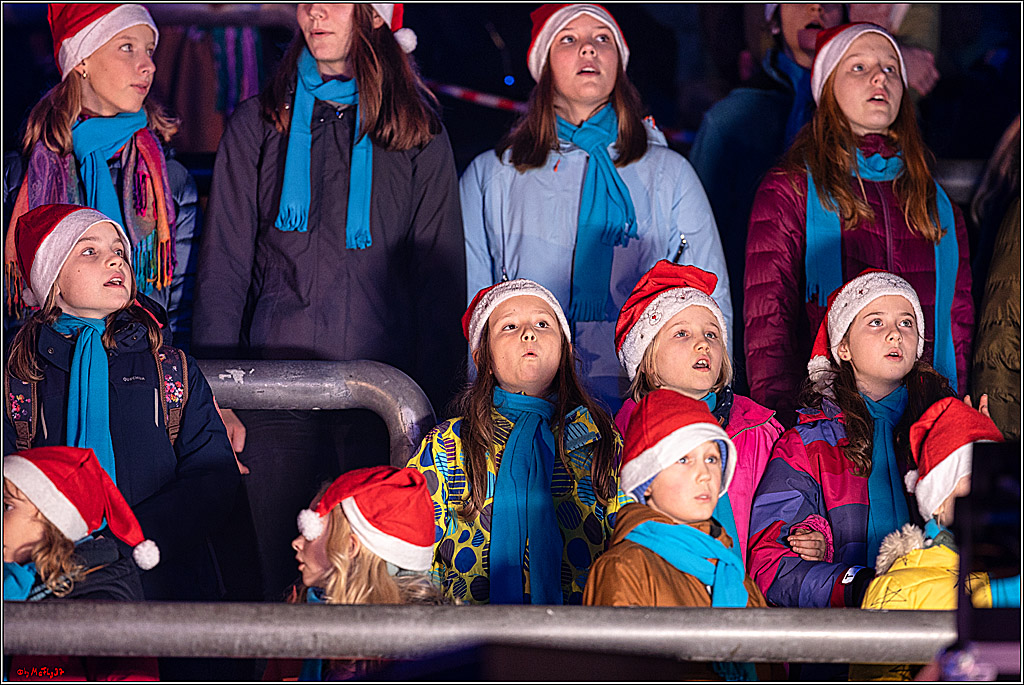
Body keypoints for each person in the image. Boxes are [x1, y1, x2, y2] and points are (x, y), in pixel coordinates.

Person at [192, 3, 466, 601]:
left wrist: (435, 417)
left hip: (382, 408)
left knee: (366, 591)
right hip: (272, 402)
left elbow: (439, 288)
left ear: (372, 16)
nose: (314, 10)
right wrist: (221, 396)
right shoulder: (259, 122)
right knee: (274, 582)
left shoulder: (418, 133)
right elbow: (225, 269)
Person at [3, 204, 240, 680]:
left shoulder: (170, 369)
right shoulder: (18, 379)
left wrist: (133, 540)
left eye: (119, 252)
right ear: (51, 283)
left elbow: (214, 477)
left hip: (162, 581)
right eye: (88, 252)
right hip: (49, 585)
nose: (114, 261)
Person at [461, 3, 731, 413]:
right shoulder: (491, 176)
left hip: (643, 405)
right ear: (544, 62)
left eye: (602, 39)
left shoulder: (670, 173)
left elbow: (712, 296)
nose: (588, 49)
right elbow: (473, 306)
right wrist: (481, 411)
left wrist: (711, 407)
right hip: (531, 403)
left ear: (619, 64)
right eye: (569, 39)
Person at [745, 23, 973, 427]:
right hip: (825, 426)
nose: (879, 77)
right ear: (827, 85)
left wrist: (953, 422)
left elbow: (958, 327)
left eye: (890, 68)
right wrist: (784, 427)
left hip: (925, 422)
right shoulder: (789, 189)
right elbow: (768, 326)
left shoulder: (937, 203)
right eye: (859, 67)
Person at [748, 271, 972, 611]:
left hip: (940, 628)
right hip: (843, 644)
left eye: (907, 323)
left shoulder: (945, 430)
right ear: (843, 348)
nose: (895, 333)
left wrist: (979, 443)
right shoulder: (805, 445)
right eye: (876, 322)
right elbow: (770, 563)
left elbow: (994, 537)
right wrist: (854, 585)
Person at [407, 279, 630, 605]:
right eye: (509, 326)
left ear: (565, 350)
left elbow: (628, 540)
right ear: (483, 356)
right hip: (470, 642)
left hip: (583, 641)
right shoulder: (446, 444)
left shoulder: (600, 438)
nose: (529, 333)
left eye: (543, 323)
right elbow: (413, 549)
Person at [4, 3, 199, 349]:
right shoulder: (20, 177)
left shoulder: (166, 179)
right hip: (42, 370)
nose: (149, 65)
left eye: (149, 50)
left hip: (142, 369)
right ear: (82, 60)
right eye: (127, 47)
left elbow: (179, 305)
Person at [689, 4, 844, 392]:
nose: (816, 7)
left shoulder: (873, 119)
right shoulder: (731, 122)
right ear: (772, 19)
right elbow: (699, 250)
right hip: (751, 334)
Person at [583, 389, 775, 681]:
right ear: (646, 482)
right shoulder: (623, 568)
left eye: (711, 459)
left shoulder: (734, 573)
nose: (705, 474)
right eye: (684, 460)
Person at [612, 261, 782, 560]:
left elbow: (782, 512)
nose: (703, 344)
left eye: (712, 334)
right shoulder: (620, 437)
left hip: (746, 597)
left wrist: (810, 530)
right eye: (682, 334)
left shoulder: (761, 429)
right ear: (647, 362)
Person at [851, 398, 1016, 681]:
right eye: (972, 480)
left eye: (994, 483)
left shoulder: (1013, 574)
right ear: (937, 502)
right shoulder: (895, 586)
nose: (984, 494)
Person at [264, 466, 443, 681]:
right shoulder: (293, 623)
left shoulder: (423, 651)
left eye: (311, 532)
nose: (296, 543)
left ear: (349, 548)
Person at [4, 445, 159, 681]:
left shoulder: (101, 604)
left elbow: (131, 676)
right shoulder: (33, 582)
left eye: (7, 506)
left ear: (52, 521)